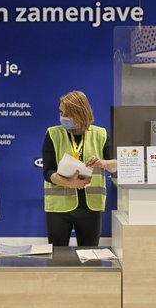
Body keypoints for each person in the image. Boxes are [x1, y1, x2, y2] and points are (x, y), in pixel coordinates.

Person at [42, 90, 112, 246]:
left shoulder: (100, 134)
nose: (62, 117)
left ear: (79, 113)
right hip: (59, 208)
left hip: (91, 207)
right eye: (61, 112)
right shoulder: (53, 134)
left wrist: (103, 163)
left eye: (66, 113)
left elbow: (114, 164)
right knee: (58, 258)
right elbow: (48, 171)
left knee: (89, 258)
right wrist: (69, 183)